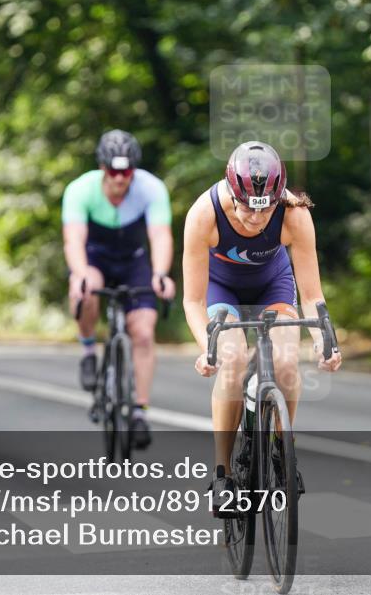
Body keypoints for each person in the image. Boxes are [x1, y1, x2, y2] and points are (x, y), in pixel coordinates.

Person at [181, 141, 342, 515]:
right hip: (222, 290)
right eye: (248, 209)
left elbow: (312, 294)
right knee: (233, 360)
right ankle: (222, 474)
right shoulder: (204, 214)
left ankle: (283, 451)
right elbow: (193, 301)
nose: (256, 218)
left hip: (273, 285)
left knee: (286, 363)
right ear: (232, 193)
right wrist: (207, 348)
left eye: (266, 209)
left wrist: (324, 339)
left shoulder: (294, 213)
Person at [62, 129, 175, 449]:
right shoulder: (80, 189)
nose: (120, 178)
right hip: (95, 259)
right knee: (86, 289)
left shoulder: (151, 188)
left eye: (127, 172)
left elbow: (160, 235)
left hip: (133, 261)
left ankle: (139, 411)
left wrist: (160, 274)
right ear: (102, 167)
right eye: (114, 171)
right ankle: (88, 350)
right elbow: (74, 239)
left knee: (143, 332)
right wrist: (79, 273)